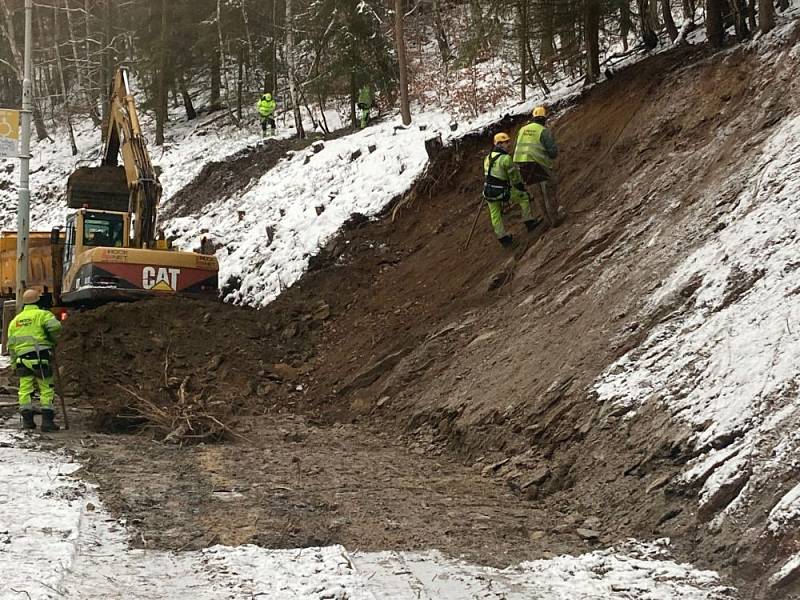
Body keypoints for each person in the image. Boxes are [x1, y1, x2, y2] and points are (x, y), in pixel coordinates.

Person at [7, 289, 63, 432]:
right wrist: (51, 338)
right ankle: (47, 423)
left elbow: (11, 346)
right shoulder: (42, 315)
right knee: (46, 388)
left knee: (24, 390)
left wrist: (14, 364)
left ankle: (27, 422)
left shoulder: (15, 321)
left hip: (21, 360)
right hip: (40, 358)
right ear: (38, 301)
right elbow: (56, 327)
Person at [483, 132, 539, 247]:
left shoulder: (487, 158)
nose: (508, 144)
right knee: (523, 198)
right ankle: (529, 222)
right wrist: (522, 189)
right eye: (506, 142)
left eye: (508, 142)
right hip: (501, 191)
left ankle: (503, 238)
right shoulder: (506, 159)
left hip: (488, 191)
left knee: (495, 214)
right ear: (499, 144)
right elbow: (515, 179)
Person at [513, 105, 563, 226]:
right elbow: (552, 152)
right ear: (543, 119)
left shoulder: (522, 130)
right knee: (548, 190)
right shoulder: (543, 131)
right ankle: (555, 218)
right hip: (538, 164)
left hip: (522, 166)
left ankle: (547, 220)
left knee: (538, 194)